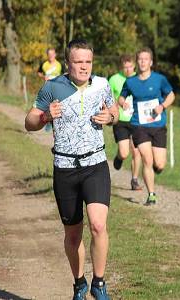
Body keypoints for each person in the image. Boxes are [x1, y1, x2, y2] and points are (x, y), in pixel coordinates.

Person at [25, 39, 118, 300]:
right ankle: (79, 283)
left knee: (98, 225)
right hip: (65, 167)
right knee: (73, 234)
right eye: (78, 62)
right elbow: (29, 121)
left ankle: (99, 283)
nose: (84, 67)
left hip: (95, 164)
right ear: (68, 63)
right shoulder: (52, 87)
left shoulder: (102, 85)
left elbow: (114, 111)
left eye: (88, 61)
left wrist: (109, 117)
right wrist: (45, 117)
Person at [118, 47, 175, 205]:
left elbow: (171, 95)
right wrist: (123, 104)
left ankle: (157, 169)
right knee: (147, 160)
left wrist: (162, 106)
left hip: (157, 125)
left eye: (146, 59)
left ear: (151, 62)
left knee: (160, 164)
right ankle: (151, 195)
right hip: (139, 126)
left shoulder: (159, 79)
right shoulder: (130, 81)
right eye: (140, 59)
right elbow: (121, 98)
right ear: (137, 62)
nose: (143, 62)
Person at [109, 54, 142, 191]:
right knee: (124, 153)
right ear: (121, 67)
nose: (128, 69)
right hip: (121, 120)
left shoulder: (139, 78)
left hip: (136, 120)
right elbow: (109, 99)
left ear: (134, 65)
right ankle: (119, 157)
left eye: (130, 67)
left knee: (136, 151)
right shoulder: (114, 79)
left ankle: (134, 180)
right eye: (125, 67)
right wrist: (117, 105)